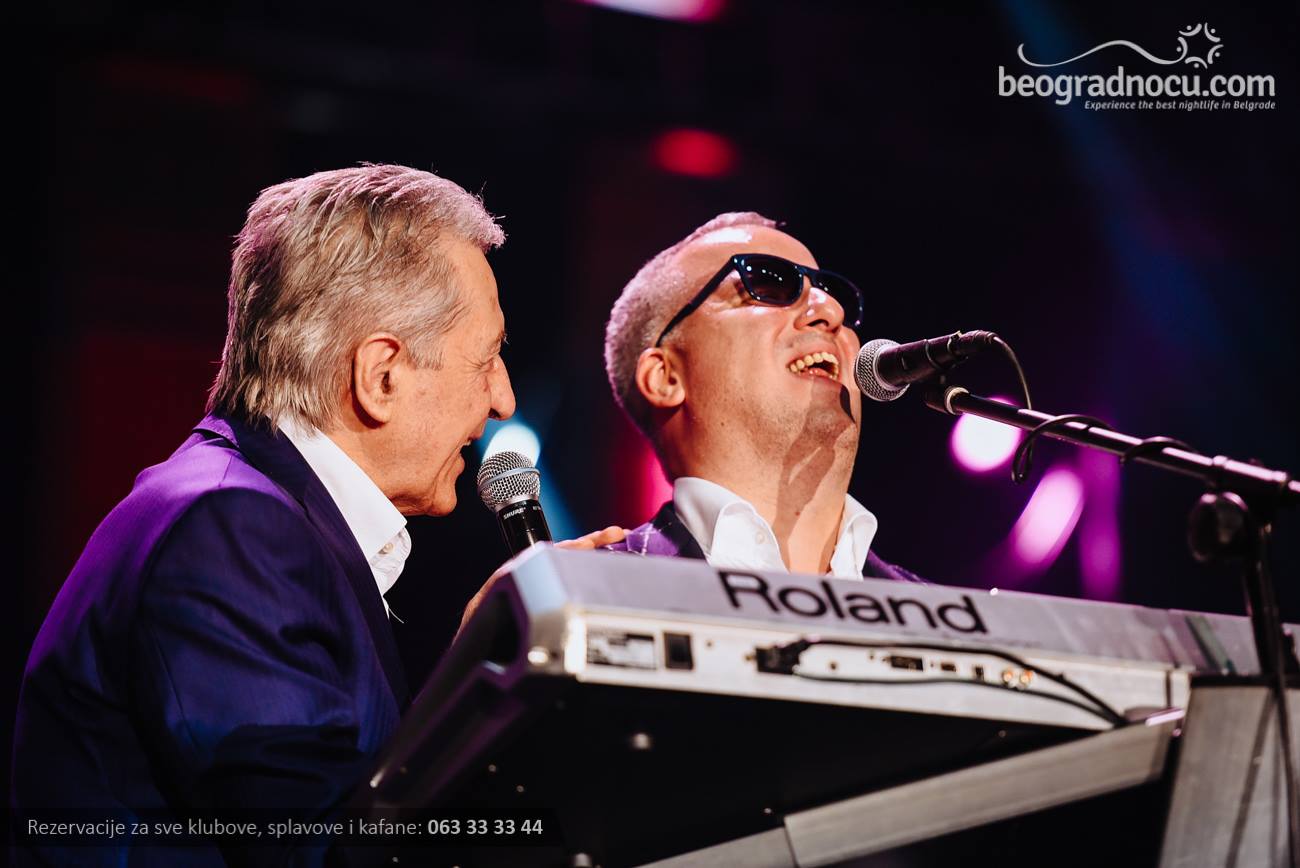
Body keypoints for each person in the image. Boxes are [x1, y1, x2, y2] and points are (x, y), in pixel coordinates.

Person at [14, 164, 524, 867]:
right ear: (382, 376)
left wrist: (477, 671)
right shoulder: (230, 528)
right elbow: (324, 850)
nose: (503, 400)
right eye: (488, 357)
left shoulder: (254, 518)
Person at [601, 212, 923, 582]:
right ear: (665, 378)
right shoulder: (586, 588)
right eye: (768, 286)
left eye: (834, 294)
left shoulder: (948, 613)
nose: (831, 311)